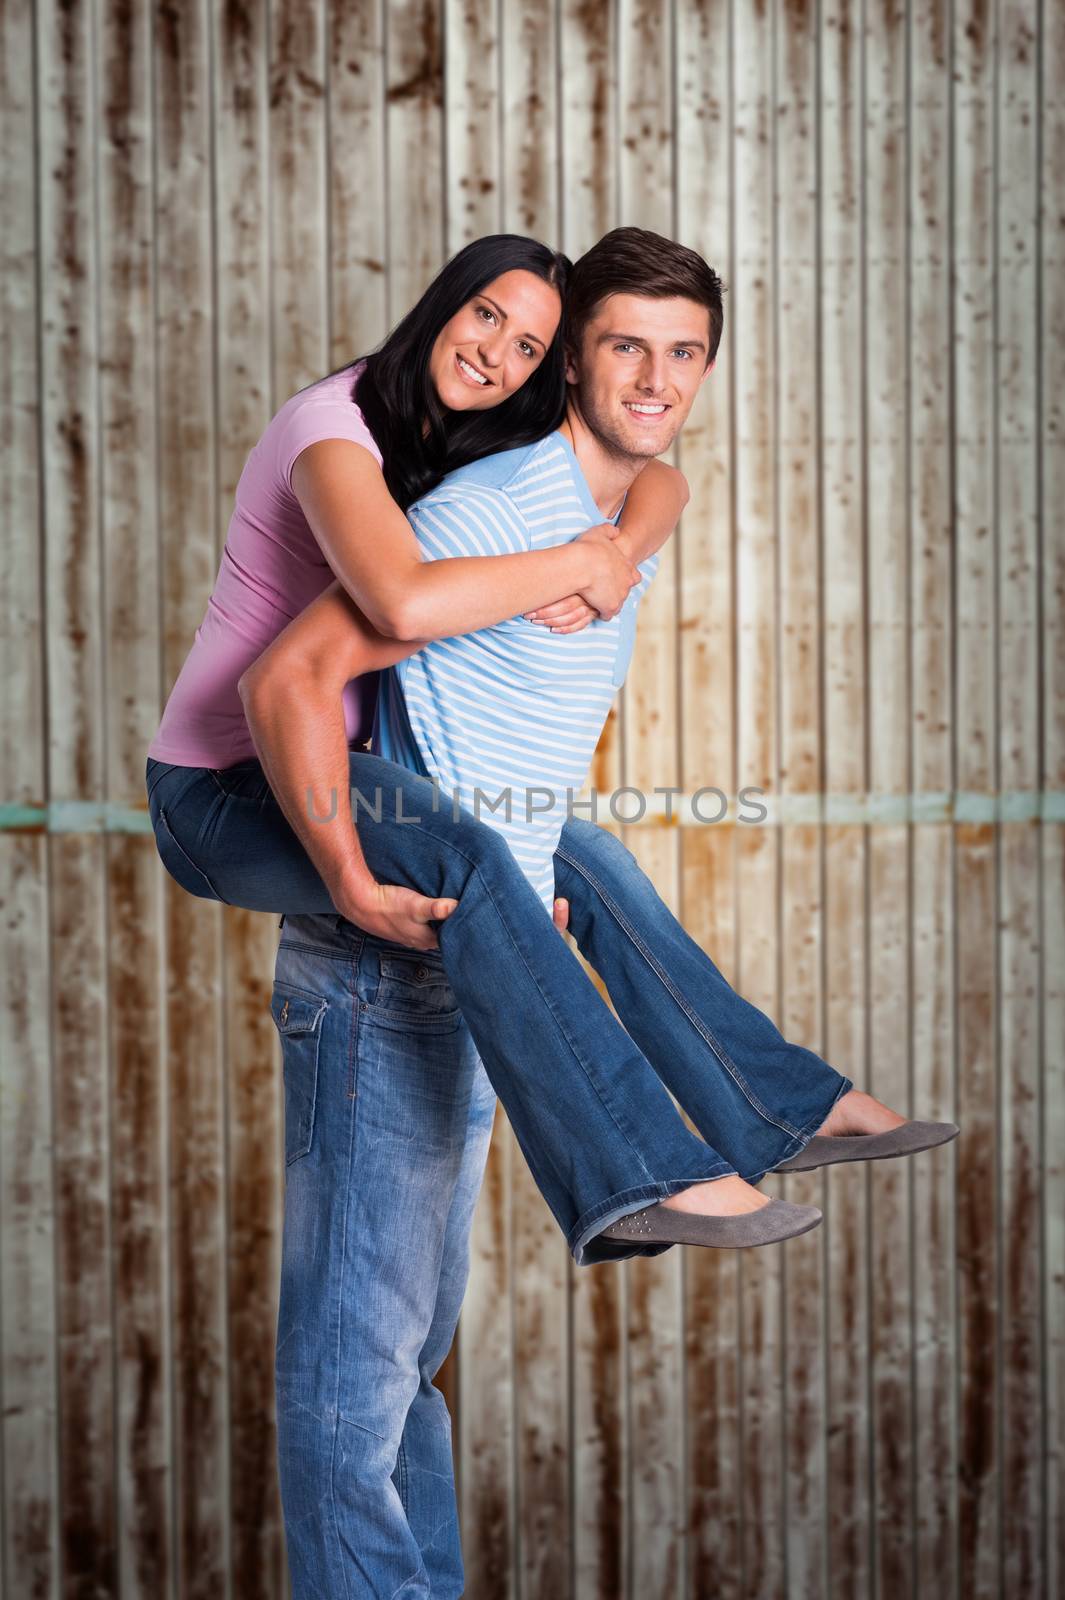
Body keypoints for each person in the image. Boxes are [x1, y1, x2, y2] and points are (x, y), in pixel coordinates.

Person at [146, 229, 956, 1596]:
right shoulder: (340, 430)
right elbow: (367, 620)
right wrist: (350, 872)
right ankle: (637, 1168)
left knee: (560, 853)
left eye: (528, 341)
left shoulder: (477, 444)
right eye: (491, 323)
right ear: (439, 308)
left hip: (355, 781)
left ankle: (770, 1102)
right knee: (360, 1362)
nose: (500, 354)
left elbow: (659, 479)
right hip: (235, 790)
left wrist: (619, 544)